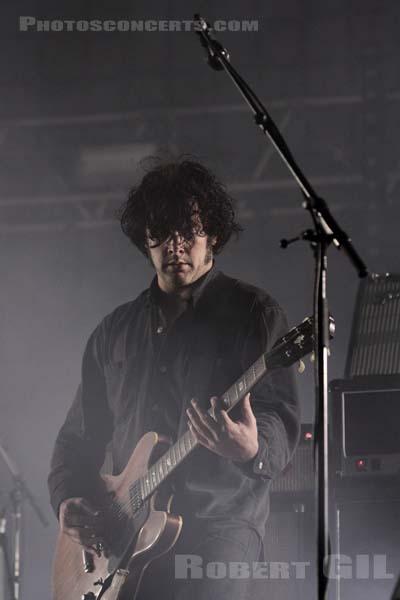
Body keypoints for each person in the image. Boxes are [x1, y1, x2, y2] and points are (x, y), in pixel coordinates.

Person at [48, 157, 300, 600]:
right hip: (125, 536)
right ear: (145, 239)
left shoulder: (254, 315)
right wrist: (68, 498)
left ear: (214, 235)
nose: (176, 245)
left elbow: (278, 413)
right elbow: (76, 439)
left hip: (219, 527)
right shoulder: (113, 332)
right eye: (161, 232)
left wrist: (251, 447)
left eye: (189, 230)